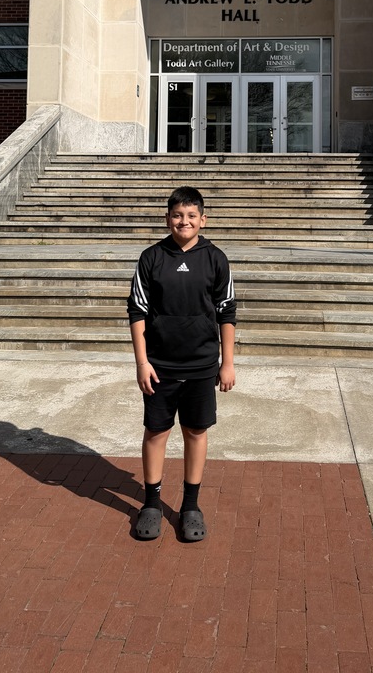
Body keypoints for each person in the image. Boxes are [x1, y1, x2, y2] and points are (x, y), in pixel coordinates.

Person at [127, 185, 236, 542]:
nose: (183, 221)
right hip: (160, 365)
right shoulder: (151, 258)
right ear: (167, 219)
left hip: (202, 365)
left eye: (191, 215)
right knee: (156, 432)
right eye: (177, 215)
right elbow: (137, 311)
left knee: (195, 432)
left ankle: (191, 506)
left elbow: (227, 312)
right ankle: (151, 504)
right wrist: (142, 362)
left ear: (203, 220)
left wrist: (227, 363)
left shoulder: (216, 258)